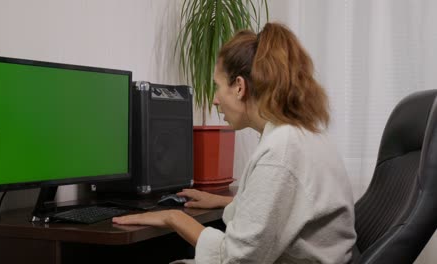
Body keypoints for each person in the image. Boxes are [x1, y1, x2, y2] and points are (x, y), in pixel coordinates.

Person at [113, 22, 356, 264]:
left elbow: (236, 258)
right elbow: (283, 208)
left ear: (239, 87)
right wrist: (224, 201)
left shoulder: (281, 152)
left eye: (217, 87)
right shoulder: (301, 134)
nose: (216, 100)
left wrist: (175, 218)